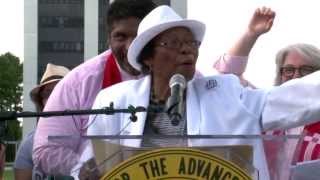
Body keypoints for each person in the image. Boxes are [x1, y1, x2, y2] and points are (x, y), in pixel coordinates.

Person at [86, 5, 320, 180]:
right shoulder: (114, 101)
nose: (187, 50)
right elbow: (90, 164)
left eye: (192, 43)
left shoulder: (226, 95)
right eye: (174, 43)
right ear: (148, 57)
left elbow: (295, 99)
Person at [33, 0, 157, 177]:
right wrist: (82, 168)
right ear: (109, 38)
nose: (130, 46)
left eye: (138, 37)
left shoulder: (185, 79)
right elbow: (45, 149)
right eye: (121, 37)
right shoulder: (77, 83)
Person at [214, 7, 320, 179]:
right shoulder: (264, 106)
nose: (296, 76)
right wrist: (250, 34)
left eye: (306, 70)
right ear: (280, 74)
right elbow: (227, 80)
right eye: (289, 70)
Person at [14, 63, 70, 180]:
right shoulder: (29, 143)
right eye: (48, 93)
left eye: (61, 90)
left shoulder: (89, 139)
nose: (54, 98)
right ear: (41, 101)